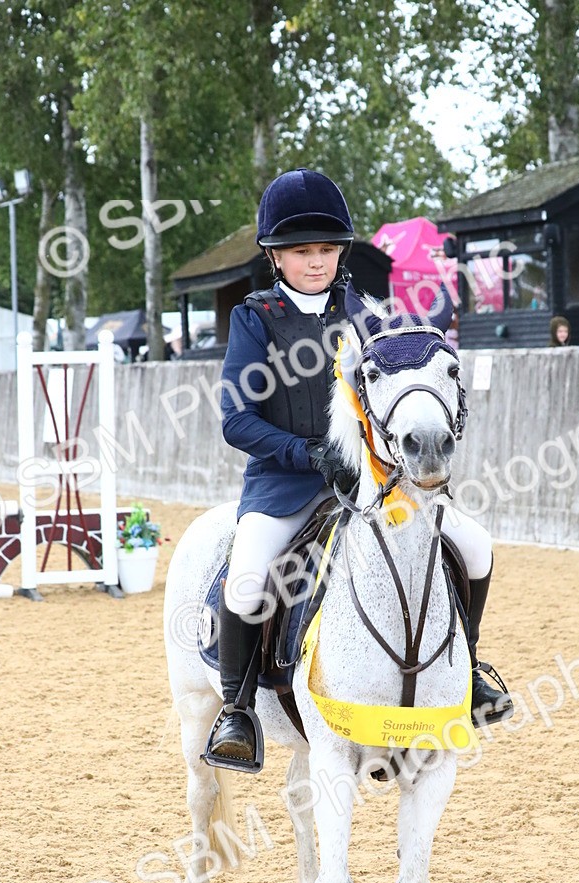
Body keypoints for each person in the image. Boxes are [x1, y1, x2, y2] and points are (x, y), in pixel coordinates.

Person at [206, 168, 512, 770]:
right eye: (300, 252)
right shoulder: (254, 317)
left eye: (325, 250)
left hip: (374, 485)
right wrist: (308, 454)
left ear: (340, 252)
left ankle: (469, 670)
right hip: (286, 484)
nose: (315, 262)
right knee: (246, 577)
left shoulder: (368, 315)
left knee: (474, 545)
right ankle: (237, 710)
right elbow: (236, 420)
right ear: (275, 256)